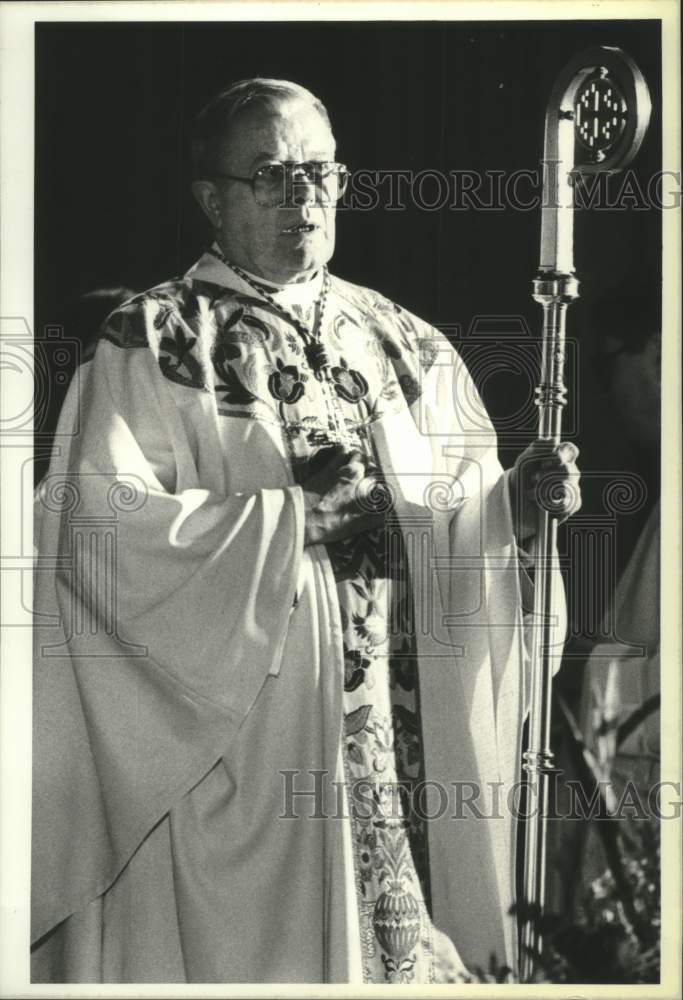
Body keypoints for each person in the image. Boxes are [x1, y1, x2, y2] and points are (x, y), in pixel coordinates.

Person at [31, 78, 580, 984]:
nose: (302, 197)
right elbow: (98, 540)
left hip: (402, 774)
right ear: (211, 198)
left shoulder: (406, 343)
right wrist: (287, 525)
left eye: (318, 173)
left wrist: (512, 513)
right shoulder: (156, 342)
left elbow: (456, 526)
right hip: (247, 770)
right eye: (272, 175)